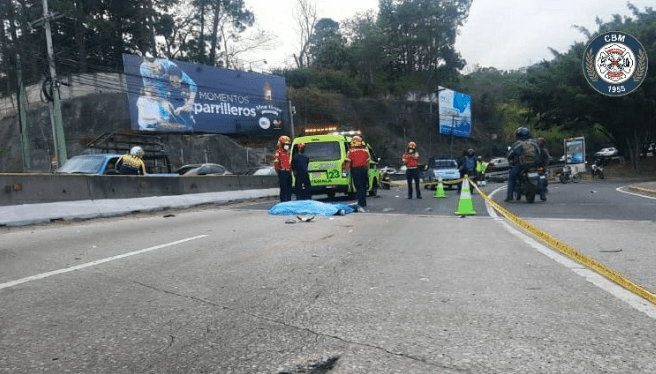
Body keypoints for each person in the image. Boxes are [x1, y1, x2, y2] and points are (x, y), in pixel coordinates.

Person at [505, 127, 541, 202]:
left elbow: (509, 155)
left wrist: (509, 159)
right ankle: (542, 195)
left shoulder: (517, 145)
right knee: (538, 177)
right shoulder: (534, 143)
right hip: (533, 165)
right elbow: (539, 152)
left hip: (521, 165)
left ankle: (509, 197)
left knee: (511, 179)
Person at [161, 65, 196, 130]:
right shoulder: (167, 89)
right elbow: (163, 101)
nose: (173, 80)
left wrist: (181, 109)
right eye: (171, 78)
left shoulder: (186, 89)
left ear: (180, 78)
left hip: (186, 120)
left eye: (175, 79)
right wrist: (166, 104)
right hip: (172, 120)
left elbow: (190, 106)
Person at [345, 135, 370, 209]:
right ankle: (363, 201)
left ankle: (360, 202)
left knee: (358, 186)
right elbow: (368, 160)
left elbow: (348, 161)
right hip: (364, 169)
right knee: (363, 186)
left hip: (356, 169)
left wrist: (346, 169)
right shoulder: (365, 150)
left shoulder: (351, 151)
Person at [273, 135, 293, 202]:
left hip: (288, 171)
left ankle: (289, 200)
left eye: (288, 144)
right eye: (286, 144)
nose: (287, 146)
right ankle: (283, 200)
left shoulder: (288, 152)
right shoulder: (278, 152)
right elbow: (276, 163)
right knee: (283, 187)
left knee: (289, 187)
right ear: (282, 144)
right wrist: (279, 171)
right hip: (282, 172)